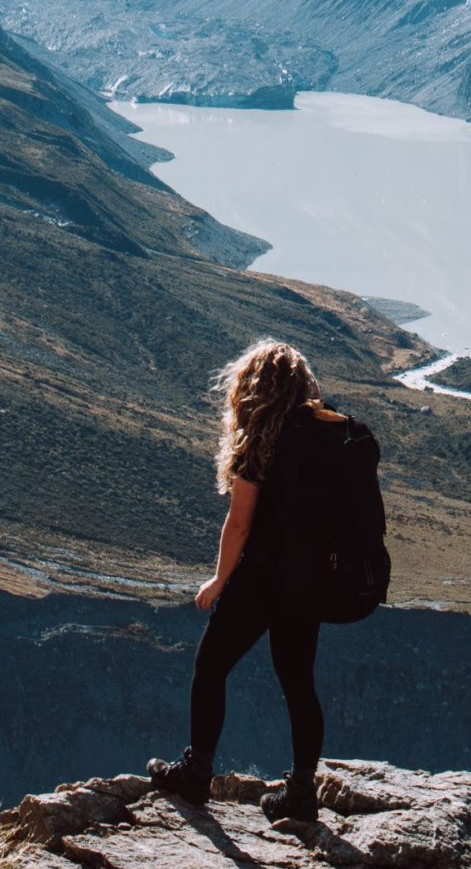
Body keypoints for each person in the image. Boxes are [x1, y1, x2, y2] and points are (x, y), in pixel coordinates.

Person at [149, 337, 376, 826]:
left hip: (262, 577)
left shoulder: (262, 438)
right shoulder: (335, 432)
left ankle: (195, 773)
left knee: (211, 666)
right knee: (298, 684)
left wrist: (218, 580)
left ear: (253, 388)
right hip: (311, 581)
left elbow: (240, 523)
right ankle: (300, 791)